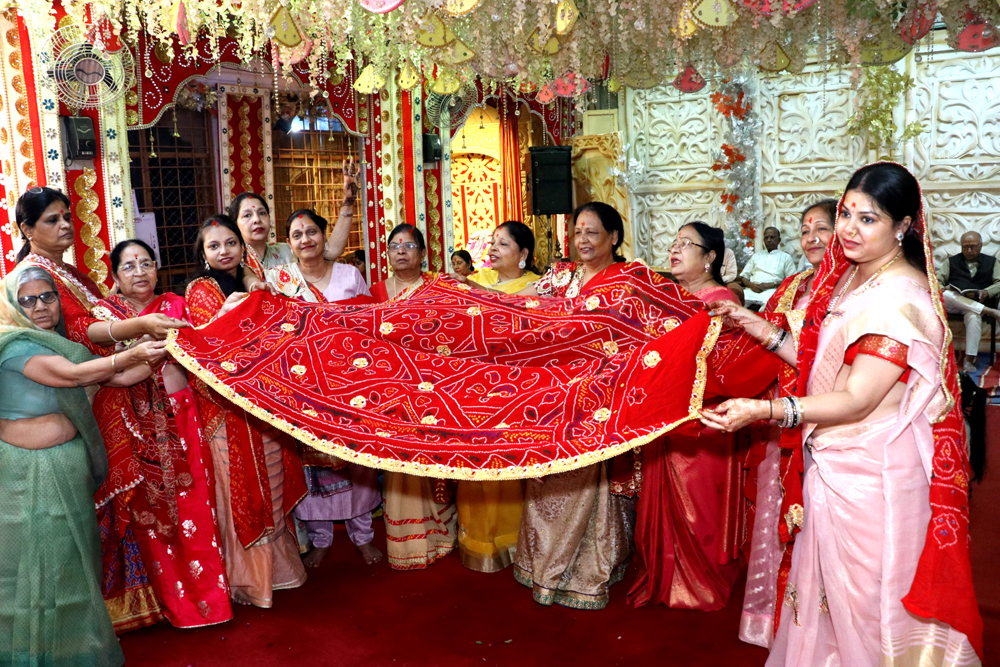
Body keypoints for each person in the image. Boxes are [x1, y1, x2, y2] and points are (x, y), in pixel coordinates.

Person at [701, 163, 982, 665]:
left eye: (868, 219)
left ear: (903, 226)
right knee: (828, 600)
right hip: (834, 458)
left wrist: (763, 410)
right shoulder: (855, 278)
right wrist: (754, 325)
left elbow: (856, 398)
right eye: (847, 214)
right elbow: (820, 366)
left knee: (867, 607)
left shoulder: (899, 300)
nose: (849, 229)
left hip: (875, 475)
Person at [14, 186, 187, 630]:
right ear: (27, 229)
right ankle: (105, 607)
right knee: (106, 498)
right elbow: (83, 330)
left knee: (120, 497)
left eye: (66, 216)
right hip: (85, 392)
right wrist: (139, 325)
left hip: (106, 386)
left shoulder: (67, 270)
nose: (65, 225)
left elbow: (99, 311)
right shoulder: (35, 276)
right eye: (52, 220)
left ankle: (134, 601)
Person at [0, 264, 167, 667]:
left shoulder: (59, 344)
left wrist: (166, 348)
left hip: (67, 467)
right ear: (11, 306)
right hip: (25, 473)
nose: (40, 306)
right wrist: (130, 352)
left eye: (48, 296)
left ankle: (72, 653)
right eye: (28, 300)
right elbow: (74, 376)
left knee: (71, 565)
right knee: (33, 569)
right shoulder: (13, 345)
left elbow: (121, 378)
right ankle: (27, 655)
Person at [86, 239, 232, 629]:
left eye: (146, 263)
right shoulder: (107, 317)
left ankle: (213, 603)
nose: (140, 272)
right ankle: (178, 607)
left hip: (184, 417)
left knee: (196, 509)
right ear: (115, 276)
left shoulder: (176, 305)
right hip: (139, 426)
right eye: (129, 266)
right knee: (153, 517)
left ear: (157, 268)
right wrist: (140, 358)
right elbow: (103, 371)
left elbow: (208, 344)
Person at [512, 201, 635, 609]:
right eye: (577, 232)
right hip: (554, 396)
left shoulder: (628, 281)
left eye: (591, 232)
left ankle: (586, 572)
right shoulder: (562, 275)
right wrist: (468, 299)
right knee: (547, 476)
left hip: (600, 400)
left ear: (613, 237)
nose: (582, 239)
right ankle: (541, 566)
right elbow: (517, 304)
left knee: (586, 481)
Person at [186, 215, 309, 607]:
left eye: (230, 243)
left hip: (264, 399)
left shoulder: (254, 277)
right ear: (203, 254)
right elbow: (214, 341)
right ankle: (247, 580)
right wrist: (248, 302)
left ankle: (279, 572)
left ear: (242, 247)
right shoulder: (201, 289)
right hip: (227, 407)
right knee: (241, 490)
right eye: (214, 245)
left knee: (272, 483)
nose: (224, 251)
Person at [628, 222, 743, 611]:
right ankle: (666, 577)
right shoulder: (672, 297)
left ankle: (699, 582)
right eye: (673, 243)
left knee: (699, 504)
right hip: (666, 412)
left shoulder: (721, 299)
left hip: (703, 418)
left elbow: (726, 364)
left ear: (710, 257)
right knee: (662, 500)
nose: (675, 250)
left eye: (686, 244)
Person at [740, 198, 836, 646]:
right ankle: (777, 621)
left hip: (832, 419)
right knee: (779, 510)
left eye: (822, 228)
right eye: (805, 230)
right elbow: (762, 349)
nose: (811, 238)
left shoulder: (854, 288)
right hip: (783, 411)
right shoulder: (794, 286)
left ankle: (823, 629)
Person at [266, 210, 382, 567]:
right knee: (312, 464)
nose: (306, 239)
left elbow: (370, 322)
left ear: (323, 236)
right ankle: (321, 538)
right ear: (289, 244)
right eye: (297, 235)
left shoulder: (349, 274)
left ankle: (363, 536)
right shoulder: (280, 280)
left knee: (355, 461)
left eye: (312, 231)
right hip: (304, 386)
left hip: (350, 383)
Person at [370, 223, 458, 570]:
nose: (401, 251)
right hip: (394, 391)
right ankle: (408, 544)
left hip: (435, 387)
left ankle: (440, 534)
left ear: (422, 253)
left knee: (435, 461)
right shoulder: (377, 292)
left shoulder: (440, 288)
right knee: (401, 463)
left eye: (409, 245)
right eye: (394, 246)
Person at [453, 221, 540, 573]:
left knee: (508, 464)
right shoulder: (482, 279)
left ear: (523, 254)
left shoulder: (536, 285)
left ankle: (513, 540)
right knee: (475, 463)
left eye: (502, 244)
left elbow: (515, 315)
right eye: (492, 242)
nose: (492, 248)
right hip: (474, 387)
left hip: (515, 389)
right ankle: (475, 541)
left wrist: (470, 289)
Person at [231, 158, 359, 280]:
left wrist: (348, 203)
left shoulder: (286, 251)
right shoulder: (231, 259)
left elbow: (331, 251)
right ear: (234, 224)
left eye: (262, 213)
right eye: (247, 215)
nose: (256, 220)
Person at [937, 231, 1000, 372]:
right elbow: (937, 282)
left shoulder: (992, 262)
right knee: (947, 295)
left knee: (973, 316)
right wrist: (943, 287)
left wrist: (987, 291)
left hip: (976, 304)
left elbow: (999, 282)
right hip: (954, 304)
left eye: (973, 247)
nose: (969, 250)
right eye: (965, 247)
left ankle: (969, 359)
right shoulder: (951, 261)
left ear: (980, 246)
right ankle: (991, 312)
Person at [736, 226, 797, 309]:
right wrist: (751, 285)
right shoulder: (756, 256)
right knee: (736, 302)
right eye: (766, 238)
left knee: (771, 304)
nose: (769, 240)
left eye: (772, 237)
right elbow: (743, 276)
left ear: (779, 240)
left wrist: (772, 284)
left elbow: (792, 280)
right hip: (751, 290)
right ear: (763, 240)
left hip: (772, 291)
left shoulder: (786, 257)